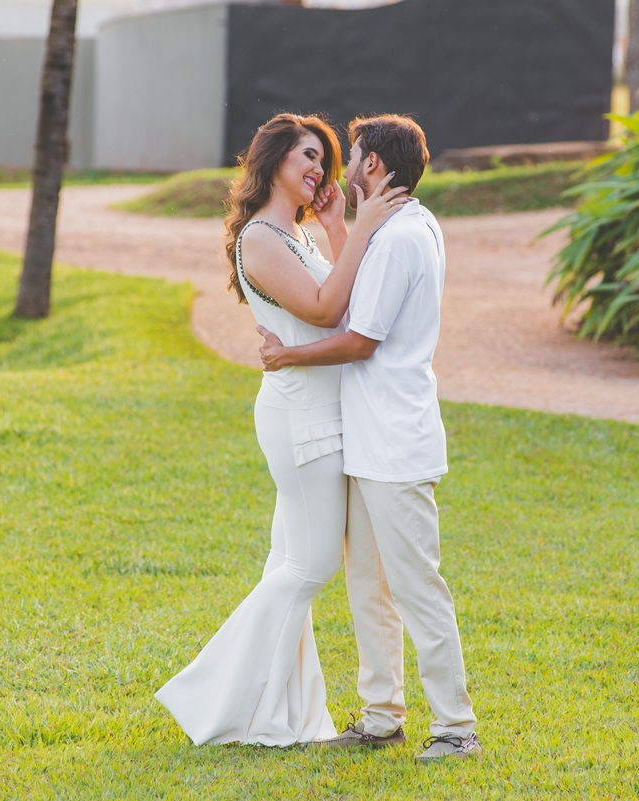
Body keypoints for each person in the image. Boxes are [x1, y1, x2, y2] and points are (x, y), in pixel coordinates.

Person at [154, 113, 409, 746]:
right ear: (271, 163)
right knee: (312, 567)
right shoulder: (263, 239)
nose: (320, 168)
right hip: (301, 419)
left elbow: (344, 308)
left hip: (322, 415)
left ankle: (272, 711)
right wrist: (368, 225)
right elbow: (325, 310)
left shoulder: (296, 234)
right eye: (307, 156)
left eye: (324, 158)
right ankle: (205, 692)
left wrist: (337, 227)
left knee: (288, 562)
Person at [257, 114, 480, 762]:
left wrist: (287, 358)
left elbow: (358, 335)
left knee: (416, 588)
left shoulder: (401, 238)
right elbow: (357, 303)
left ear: (375, 166)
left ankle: (456, 728)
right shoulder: (397, 229)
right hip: (371, 443)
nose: (340, 167)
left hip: (395, 447)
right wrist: (337, 226)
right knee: (368, 586)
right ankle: (382, 716)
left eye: (351, 156)